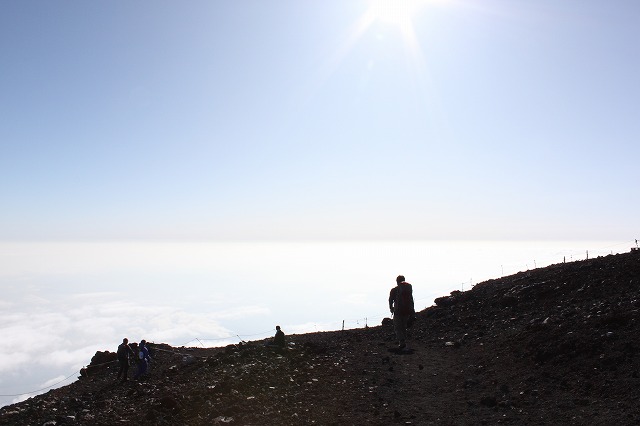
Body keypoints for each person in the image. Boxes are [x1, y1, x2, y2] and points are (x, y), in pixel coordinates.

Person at [389, 275, 415, 349]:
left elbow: (390, 300)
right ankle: (404, 340)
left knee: (398, 327)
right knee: (403, 326)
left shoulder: (394, 290)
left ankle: (401, 341)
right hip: (407, 311)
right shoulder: (408, 289)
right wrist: (412, 311)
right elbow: (411, 300)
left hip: (398, 311)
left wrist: (391, 308)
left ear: (397, 281)